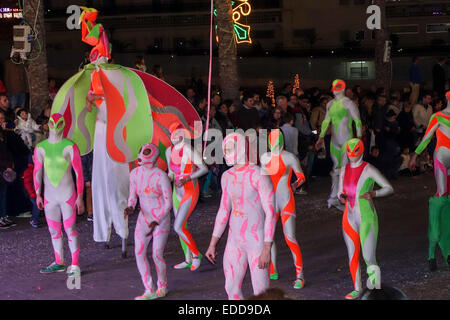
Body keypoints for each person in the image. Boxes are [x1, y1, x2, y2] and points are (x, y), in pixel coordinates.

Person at [205, 132, 276, 300]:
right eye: (224, 150)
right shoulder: (226, 177)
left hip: (256, 240)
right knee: (230, 286)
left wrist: (267, 248)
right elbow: (223, 210)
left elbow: (271, 212)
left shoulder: (258, 174)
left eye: (229, 149)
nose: (225, 154)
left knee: (261, 292)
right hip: (234, 240)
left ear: (242, 149)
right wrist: (213, 243)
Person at [338, 138, 394, 300]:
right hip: (348, 217)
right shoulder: (344, 169)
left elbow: (389, 188)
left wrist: (374, 193)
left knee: (369, 256)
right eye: (348, 151)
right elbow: (340, 192)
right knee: (352, 255)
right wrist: (341, 196)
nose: (351, 155)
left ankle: (375, 291)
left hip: (366, 216)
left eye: (354, 151)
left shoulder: (369, 169)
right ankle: (357, 288)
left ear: (361, 151)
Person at [33, 114, 84, 276]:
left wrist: (80, 197)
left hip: (67, 195)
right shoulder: (41, 148)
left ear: (63, 125)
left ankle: (74, 264)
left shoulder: (70, 146)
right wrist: (38, 194)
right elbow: (37, 172)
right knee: (54, 231)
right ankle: (59, 261)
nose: (55, 126)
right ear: (48, 124)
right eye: (52, 123)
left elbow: (79, 174)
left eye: (58, 123)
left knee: (70, 229)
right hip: (50, 197)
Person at [125, 143, 172, 300]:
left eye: (146, 153)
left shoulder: (161, 176)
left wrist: (157, 220)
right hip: (144, 219)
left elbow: (168, 204)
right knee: (139, 253)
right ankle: (148, 288)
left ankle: (162, 285)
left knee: (157, 254)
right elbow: (133, 197)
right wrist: (130, 207)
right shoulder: (134, 174)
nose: (142, 156)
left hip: (161, 219)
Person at [409, 91, 450, 271]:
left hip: (443, 158)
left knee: (445, 199)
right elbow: (426, 137)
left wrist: (415, 156)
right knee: (441, 198)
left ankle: (442, 249)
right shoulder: (438, 116)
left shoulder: (438, 116)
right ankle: (432, 250)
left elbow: (426, 138)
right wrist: (415, 155)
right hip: (441, 157)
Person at [260, 129, 306, 288]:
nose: (274, 144)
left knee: (290, 238)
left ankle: (300, 276)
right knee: (269, 238)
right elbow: (261, 179)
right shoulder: (265, 157)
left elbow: (301, 176)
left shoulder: (289, 157)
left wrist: (294, 184)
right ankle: (273, 270)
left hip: (286, 201)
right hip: (270, 202)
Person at [166, 123, 208, 271]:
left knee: (178, 226)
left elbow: (204, 168)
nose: (174, 136)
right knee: (182, 226)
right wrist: (164, 180)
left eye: (177, 132)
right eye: (172, 133)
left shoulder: (188, 149)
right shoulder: (168, 151)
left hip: (190, 189)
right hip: (176, 191)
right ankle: (187, 258)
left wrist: (187, 178)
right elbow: (171, 173)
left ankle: (196, 256)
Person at [315, 79, 362, 210]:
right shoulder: (330, 103)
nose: (335, 89)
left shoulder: (349, 103)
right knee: (336, 169)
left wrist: (358, 139)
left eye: (338, 86)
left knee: (344, 169)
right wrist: (320, 138)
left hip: (347, 141)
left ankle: (343, 196)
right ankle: (335, 196)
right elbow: (326, 121)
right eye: (334, 86)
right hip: (334, 141)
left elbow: (357, 121)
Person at [0, 125, 15, 229]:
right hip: (2, 170)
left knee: (3, 195)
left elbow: (8, 153)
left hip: (4, 171)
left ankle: (3, 216)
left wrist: (9, 165)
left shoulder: (3, 141)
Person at [23, 154, 42, 228]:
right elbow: (27, 184)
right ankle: (33, 220)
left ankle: (35, 219)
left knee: (38, 205)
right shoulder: (29, 170)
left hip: (36, 193)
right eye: (34, 158)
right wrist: (32, 194)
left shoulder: (38, 168)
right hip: (32, 193)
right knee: (37, 206)